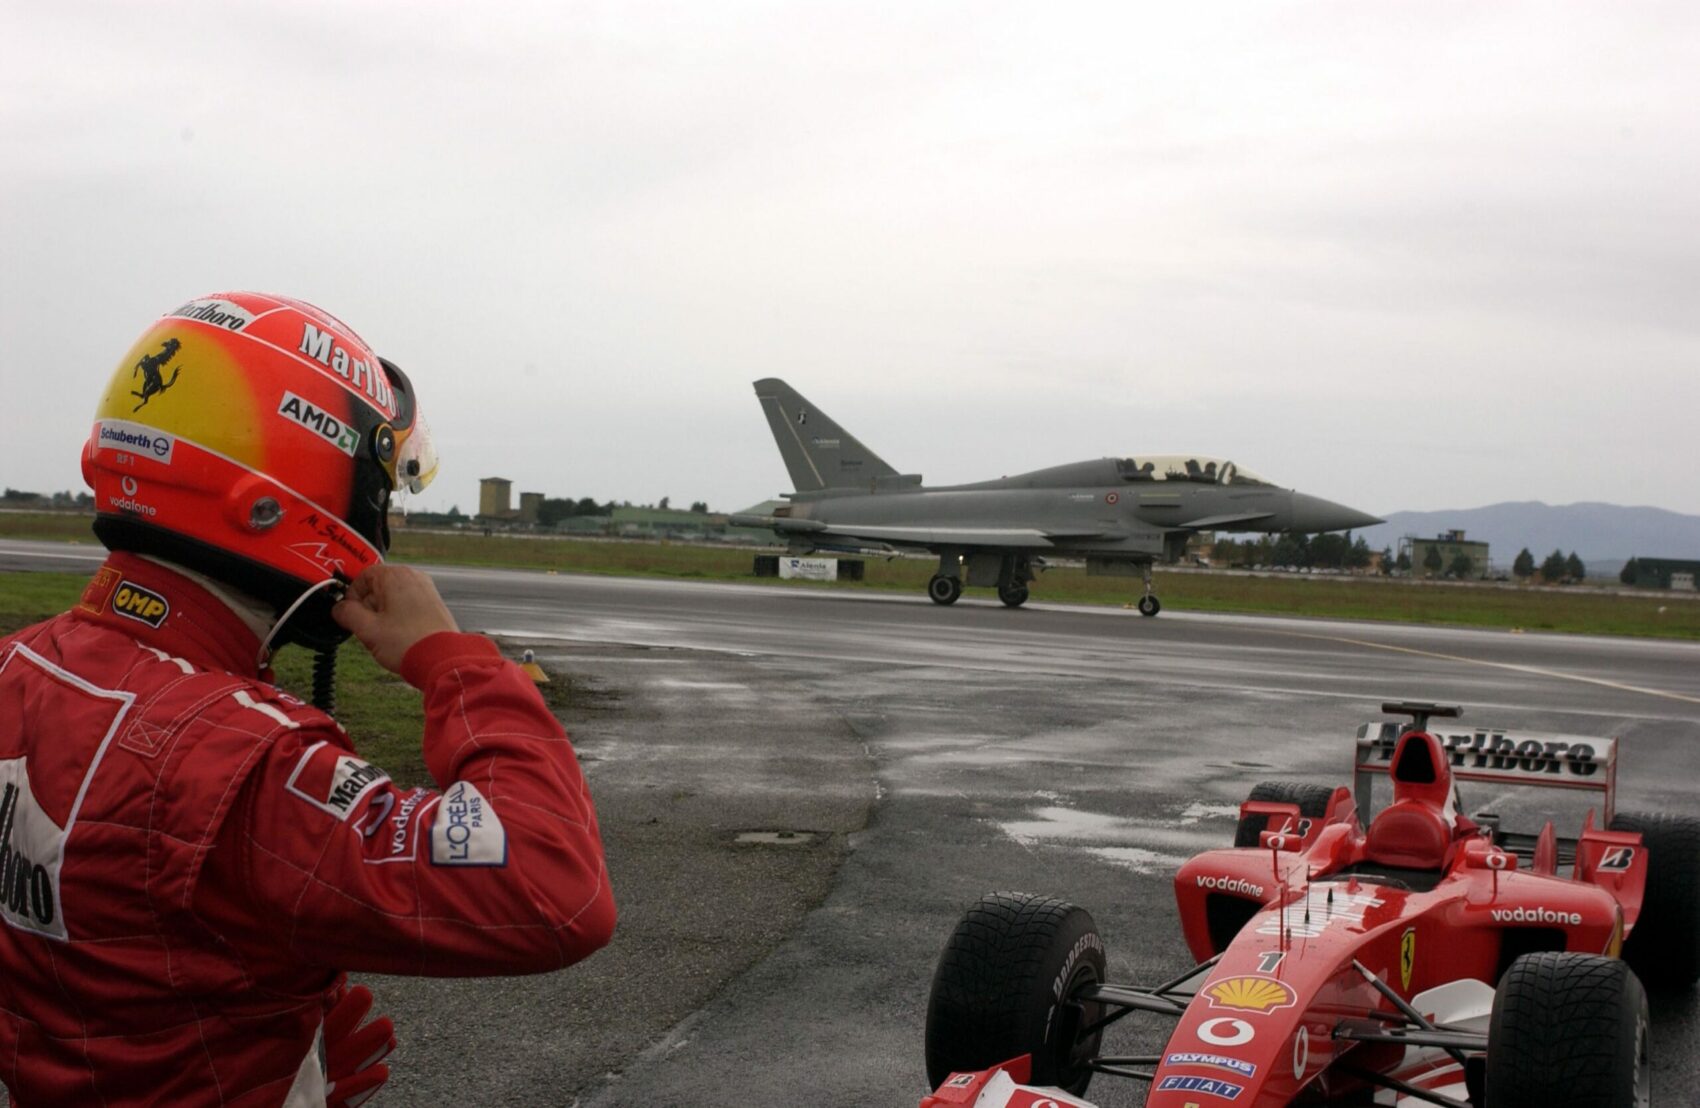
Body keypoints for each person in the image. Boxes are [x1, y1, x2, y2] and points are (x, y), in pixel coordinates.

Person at [0, 292, 616, 1105]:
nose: (380, 518)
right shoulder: (241, 761)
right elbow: (550, 887)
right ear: (284, 491)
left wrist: (249, 1049)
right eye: (375, 490)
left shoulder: (19, 665)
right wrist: (454, 663)